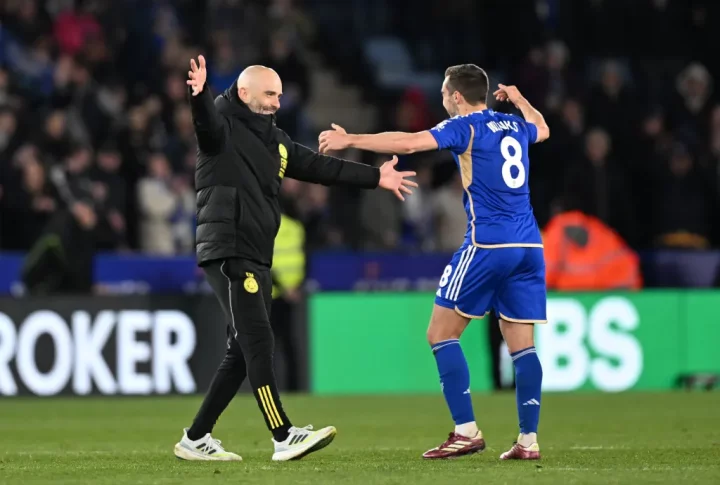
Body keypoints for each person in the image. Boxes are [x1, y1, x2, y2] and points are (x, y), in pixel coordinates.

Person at [174, 56, 417, 462]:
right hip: (230, 246)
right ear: (245, 91)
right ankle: (283, 435)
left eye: (280, 96)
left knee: (241, 350)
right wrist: (197, 97)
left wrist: (377, 177)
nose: (276, 103)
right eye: (269, 94)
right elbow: (206, 127)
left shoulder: (276, 141)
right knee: (258, 340)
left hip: (254, 251)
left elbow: (322, 168)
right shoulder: (223, 123)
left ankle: (195, 438)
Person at [319, 64, 550, 461]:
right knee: (523, 348)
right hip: (530, 246)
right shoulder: (513, 125)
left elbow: (409, 144)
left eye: (444, 94)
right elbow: (542, 128)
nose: (442, 100)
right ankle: (528, 441)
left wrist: (350, 138)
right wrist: (518, 98)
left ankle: (466, 431)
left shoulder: (467, 125)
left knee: (440, 334)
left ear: (456, 96)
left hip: (487, 243)